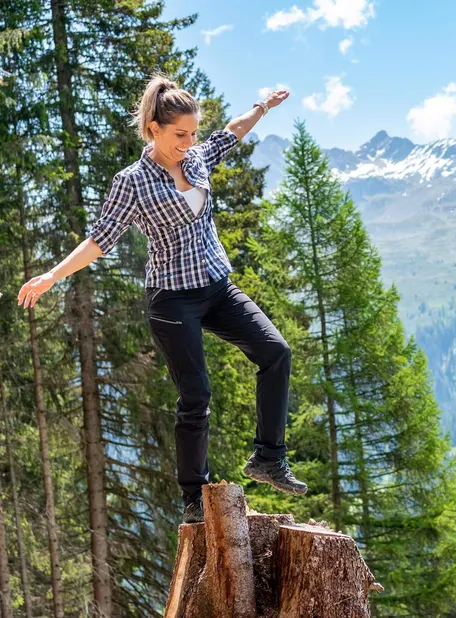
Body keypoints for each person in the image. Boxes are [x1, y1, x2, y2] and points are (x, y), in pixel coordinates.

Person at [17, 73, 307, 524]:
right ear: (154, 129)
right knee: (196, 394)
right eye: (180, 134)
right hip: (172, 300)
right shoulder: (132, 181)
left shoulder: (196, 159)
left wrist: (263, 106)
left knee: (276, 352)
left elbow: (232, 131)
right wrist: (53, 276)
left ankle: (268, 458)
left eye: (193, 132)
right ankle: (194, 497)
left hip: (216, 287)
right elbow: (99, 239)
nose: (189, 142)